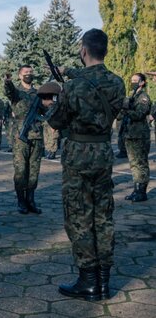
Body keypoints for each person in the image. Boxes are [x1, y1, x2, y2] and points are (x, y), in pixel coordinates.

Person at [41, 29, 125, 301]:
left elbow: (56, 120)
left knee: (79, 215)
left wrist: (52, 102)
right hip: (103, 152)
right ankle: (103, 282)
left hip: (78, 154)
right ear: (105, 50)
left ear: (84, 51)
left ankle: (87, 281)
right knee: (103, 214)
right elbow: (98, 88)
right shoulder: (118, 82)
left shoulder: (74, 86)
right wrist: (70, 74)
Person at [4, 65, 43, 215]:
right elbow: (8, 91)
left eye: (31, 72)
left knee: (34, 170)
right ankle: (21, 201)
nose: (29, 74)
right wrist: (7, 81)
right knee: (21, 170)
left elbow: (45, 110)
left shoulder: (38, 92)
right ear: (20, 76)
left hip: (37, 134)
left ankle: (31, 200)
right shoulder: (17, 92)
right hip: (20, 136)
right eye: (26, 73)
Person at [122, 73, 151, 202]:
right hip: (130, 134)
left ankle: (142, 192)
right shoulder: (132, 96)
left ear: (142, 82)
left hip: (139, 135)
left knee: (141, 164)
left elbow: (139, 114)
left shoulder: (143, 97)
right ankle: (136, 190)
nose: (133, 82)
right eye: (131, 80)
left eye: (135, 80)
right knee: (134, 164)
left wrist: (125, 110)